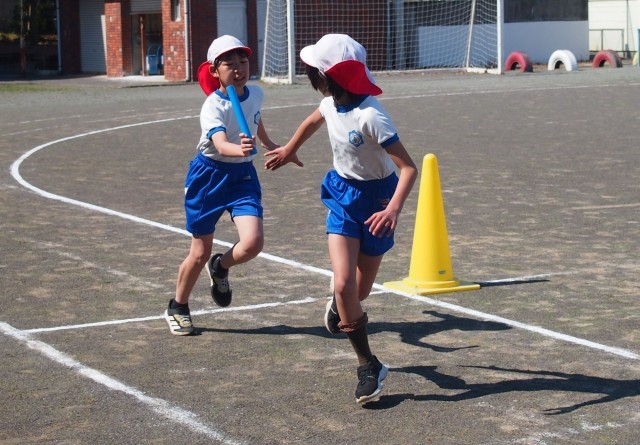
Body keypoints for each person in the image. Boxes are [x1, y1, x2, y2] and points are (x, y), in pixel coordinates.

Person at [264, 34, 418, 404]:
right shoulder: (329, 103)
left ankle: (340, 305)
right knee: (345, 282)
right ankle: (368, 366)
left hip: (379, 202)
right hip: (342, 197)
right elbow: (313, 120)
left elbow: (409, 168)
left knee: (357, 293)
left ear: (325, 76)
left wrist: (393, 209)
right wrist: (289, 148)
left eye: (313, 71)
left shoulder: (371, 116)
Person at [164, 35, 279, 336]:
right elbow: (219, 143)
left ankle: (220, 266)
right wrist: (238, 149)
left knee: (253, 242)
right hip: (209, 177)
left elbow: (255, 118)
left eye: (243, 61)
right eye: (229, 64)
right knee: (199, 251)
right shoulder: (212, 106)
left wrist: (268, 143)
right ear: (215, 70)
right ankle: (178, 305)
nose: (239, 68)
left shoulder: (256, 93)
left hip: (243, 177)